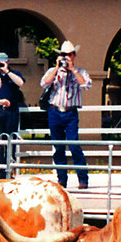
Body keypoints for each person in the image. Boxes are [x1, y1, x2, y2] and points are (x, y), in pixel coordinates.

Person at [39, 40, 92, 189]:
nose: (66, 57)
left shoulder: (80, 72)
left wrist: (73, 69)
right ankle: (62, 179)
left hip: (70, 113)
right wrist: (57, 68)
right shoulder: (53, 71)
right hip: (54, 111)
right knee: (58, 147)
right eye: (63, 54)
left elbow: (86, 85)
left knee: (74, 145)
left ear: (74, 55)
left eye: (69, 54)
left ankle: (83, 179)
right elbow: (44, 83)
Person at [0, 52, 25, 179]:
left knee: (11, 141)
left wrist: (7, 72)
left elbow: (21, 83)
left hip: (11, 111)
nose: (0, 66)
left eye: (3, 62)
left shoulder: (14, 74)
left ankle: (9, 171)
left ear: (8, 62)